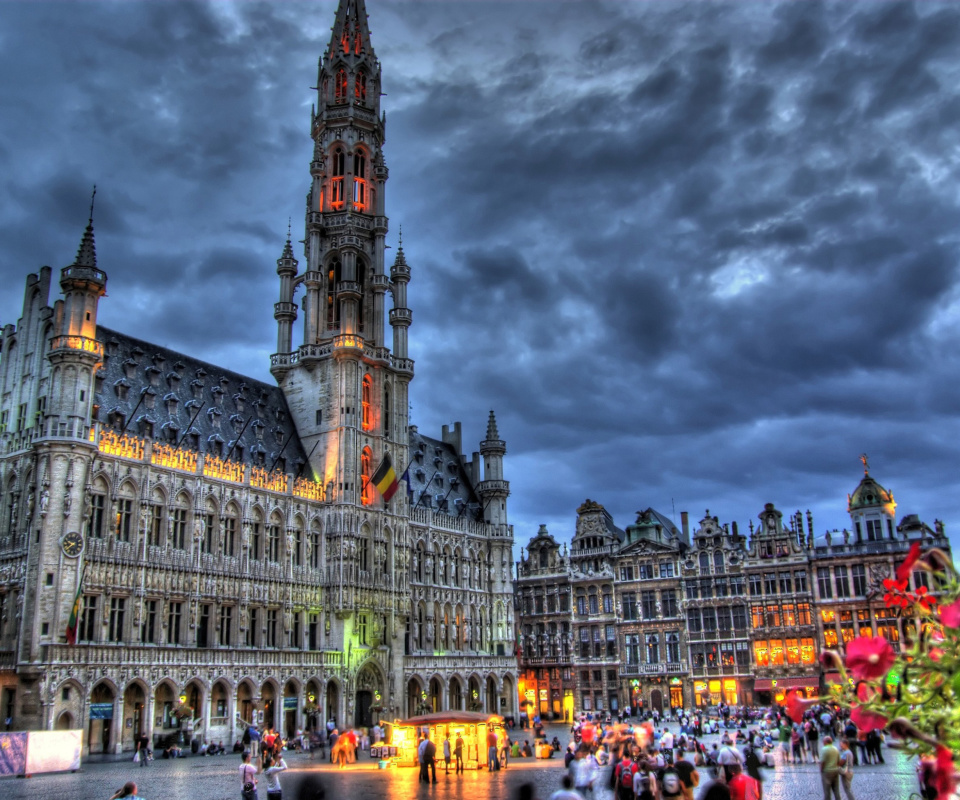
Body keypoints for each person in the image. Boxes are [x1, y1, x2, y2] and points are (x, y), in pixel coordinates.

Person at [820, 736, 842, 800]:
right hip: (835, 771)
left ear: (825, 742)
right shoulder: (835, 749)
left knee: (827, 791)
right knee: (836, 790)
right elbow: (839, 761)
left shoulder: (824, 749)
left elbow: (822, 762)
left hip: (827, 771)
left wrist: (821, 770)